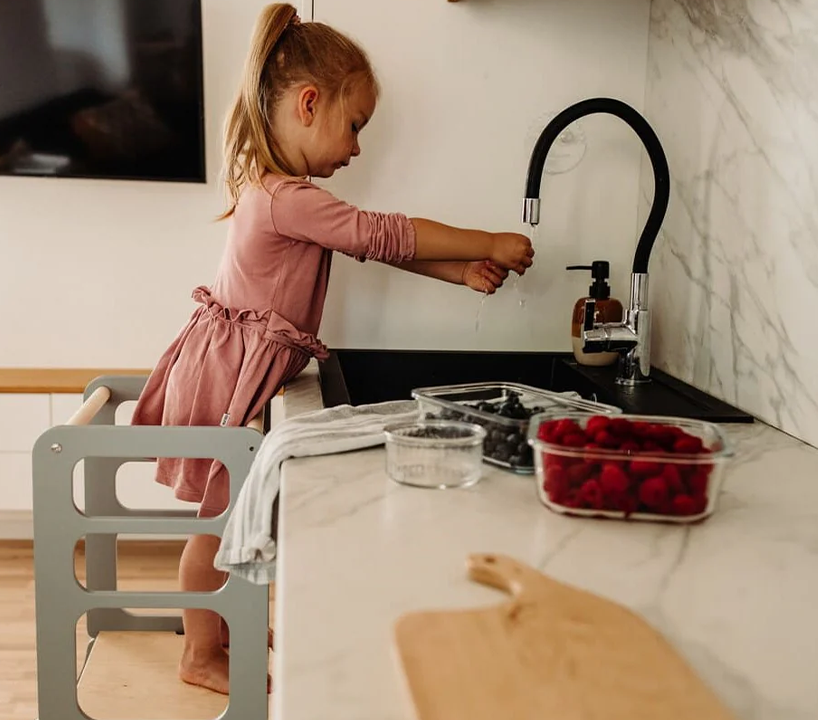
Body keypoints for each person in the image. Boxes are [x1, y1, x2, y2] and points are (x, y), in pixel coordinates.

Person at [130, 2, 534, 696]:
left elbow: (375, 246)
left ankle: (221, 630)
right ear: (310, 104)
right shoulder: (285, 198)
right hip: (230, 372)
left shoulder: (287, 197)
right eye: (356, 125)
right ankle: (200, 653)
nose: (356, 148)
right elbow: (382, 232)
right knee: (218, 525)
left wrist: (457, 271)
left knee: (229, 516)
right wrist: (485, 241)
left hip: (235, 367)